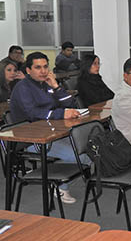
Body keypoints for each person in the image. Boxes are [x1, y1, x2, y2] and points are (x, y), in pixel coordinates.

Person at [9, 52, 84, 203]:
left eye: (45, 67)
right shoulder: (23, 87)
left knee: (85, 148)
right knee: (77, 155)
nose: (43, 71)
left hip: (52, 132)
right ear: (28, 70)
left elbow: (71, 104)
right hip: (31, 139)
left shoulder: (46, 84)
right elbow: (32, 114)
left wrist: (56, 87)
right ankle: (61, 188)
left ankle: (58, 180)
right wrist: (61, 113)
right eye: (38, 67)